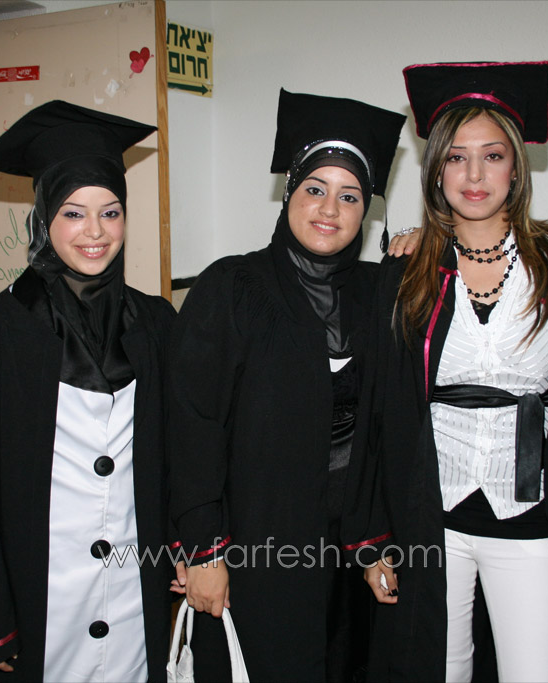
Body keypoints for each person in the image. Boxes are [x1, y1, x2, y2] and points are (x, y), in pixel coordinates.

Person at [356, 62, 548, 682]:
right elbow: (379, 412)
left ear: (517, 168)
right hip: (430, 522)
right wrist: (373, 536)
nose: (475, 176)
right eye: (456, 158)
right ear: (436, 170)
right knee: (435, 671)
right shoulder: (408, 272)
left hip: (531, 525)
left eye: (493, 156)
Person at [0, 100, 175, 682]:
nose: (96, 232)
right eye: (73, 213)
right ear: (42, 218)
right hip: (37, 607)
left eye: (111, 212)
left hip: (133, 598)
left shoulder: (157, 326)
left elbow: (178, 456)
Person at [166, 88, 406, 682]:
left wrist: (376, 542)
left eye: (349, 196)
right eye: (315, 189)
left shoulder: (380, 296)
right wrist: (204, 550)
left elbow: (388, 432)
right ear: (290, 192)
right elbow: (192, 426)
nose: (330, 209)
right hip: (254, 550)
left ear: (367, 210)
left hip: (348, 555)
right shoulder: (232, 288)